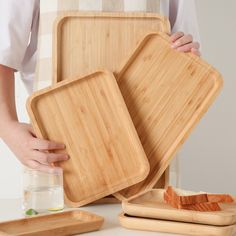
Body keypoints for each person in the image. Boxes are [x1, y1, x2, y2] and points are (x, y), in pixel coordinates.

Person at [0, 0, 201, 173]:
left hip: (151, 147)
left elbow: (189, 61)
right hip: (58, 148)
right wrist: (8, 129)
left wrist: (187, 54)